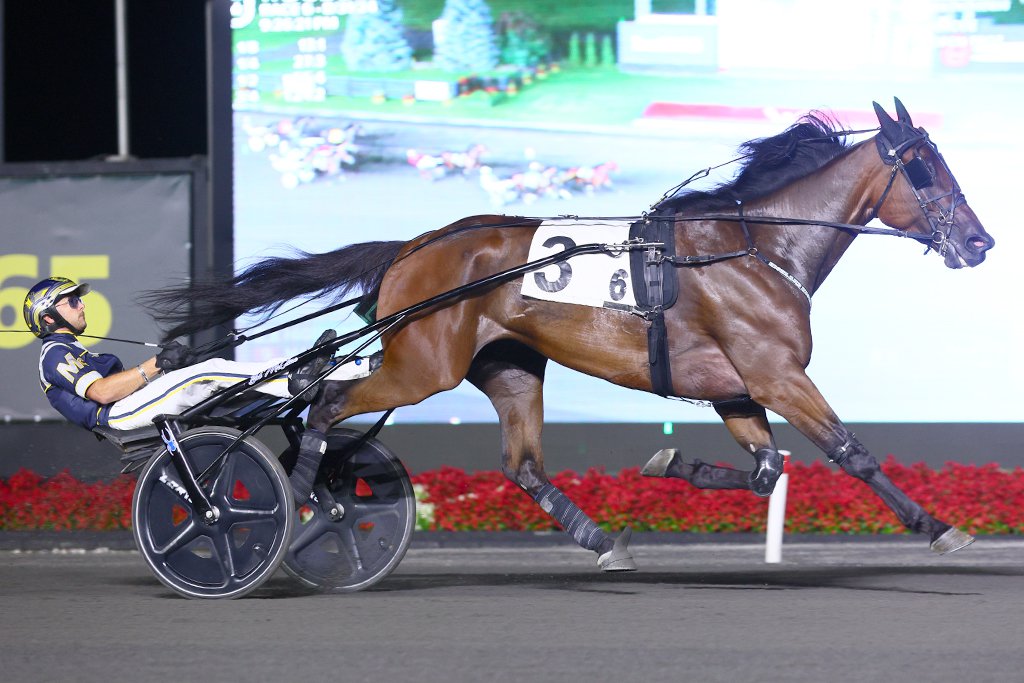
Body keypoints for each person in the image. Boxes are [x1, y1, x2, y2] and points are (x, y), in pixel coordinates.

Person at [24, 276, 369, 431]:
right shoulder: (55, 353)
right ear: (49, 317)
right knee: (210, 372)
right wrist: (155, 365)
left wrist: (167, 367)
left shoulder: (70, 349)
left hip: (126, 405)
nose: (81, 304)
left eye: (78, 298)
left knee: (210, 370)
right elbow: (101, 392)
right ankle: (300, 379)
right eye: (71, 301)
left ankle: (326, 370)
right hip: (115, 415)